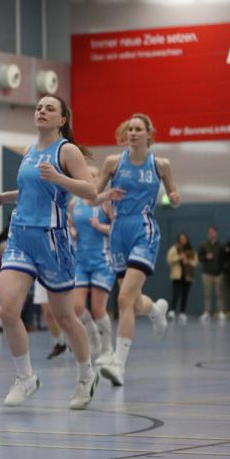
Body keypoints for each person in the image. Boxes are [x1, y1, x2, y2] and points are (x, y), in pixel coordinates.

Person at [0, 95, 99, 409]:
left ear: (62, 119)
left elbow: (91, 191)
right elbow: (32, 189)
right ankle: (26, 377)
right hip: (20, 237)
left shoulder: (67, 151)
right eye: (38, 107)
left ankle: (87, 376)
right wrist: (4, 197)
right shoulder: (30, 151)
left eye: (50, 108)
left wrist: (61, 178)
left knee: (65, 316)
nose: (42, 111)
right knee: (7, 310)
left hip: (52, 241)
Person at [94, 113, 179, 386]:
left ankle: (119, 365)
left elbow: (173, 196)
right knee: (134, 300)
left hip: (144, 230)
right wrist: (105, 196)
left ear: (148, 134)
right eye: (129, 128)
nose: (132, 133)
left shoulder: (161, 165)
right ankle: (155, 310)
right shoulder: (113, 162)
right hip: (118, 232)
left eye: (137, 129)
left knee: (123, 299)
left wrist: (174, 198)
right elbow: (94, 195)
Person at [68, 167, 116, 361]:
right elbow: (72, 224)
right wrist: (73, 231)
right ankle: (93, 335)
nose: (92, 179)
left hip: (102, 260)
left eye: (96, 176)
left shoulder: (105, 202)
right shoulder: (74, 202)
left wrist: (101, 226)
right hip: (81, 261)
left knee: (98, 309)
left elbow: (118, 228)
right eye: (88, 176)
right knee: (77, 307)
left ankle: (108, 349)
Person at [197, 226, 227, 325]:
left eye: (213, 232)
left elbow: (224, 259)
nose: (211, 234)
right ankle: (206, 312)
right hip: (207, 274)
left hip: (218, 274)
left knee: (220, 294)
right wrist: (206, 256)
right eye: (210, 232)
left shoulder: (221, 246)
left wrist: (222, 270)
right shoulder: (204, 245)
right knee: (207, 295)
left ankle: (221, 312)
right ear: (208, 234)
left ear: (216, 233)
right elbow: (199, 257)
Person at [166, 233, 197, 324]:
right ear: (179, 239)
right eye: (181, 238)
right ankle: (172, 311)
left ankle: (182, 312)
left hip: (187, 276)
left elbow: (195, 262)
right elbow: (169, 260)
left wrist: (188, 261)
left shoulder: (190, 250)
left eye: (184, 238)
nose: (183, 240)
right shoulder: (174, 248)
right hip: (177, 275)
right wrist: (179, 258)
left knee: (185, 294)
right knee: (176, 294)